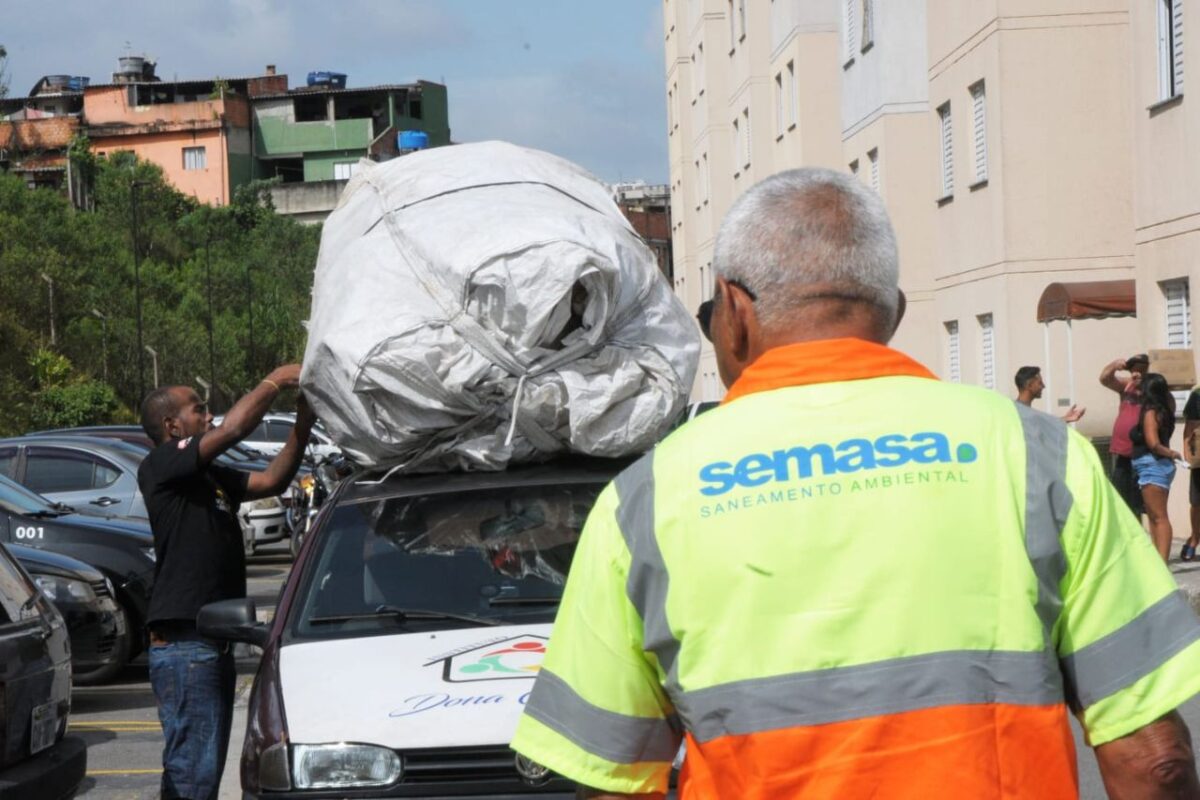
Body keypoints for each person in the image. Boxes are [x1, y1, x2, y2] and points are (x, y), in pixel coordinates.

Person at [509, 168, 1200, 798]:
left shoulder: (646, 499)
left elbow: (611, 779)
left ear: (733, 307)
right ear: (893, 312)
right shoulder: (1036, 455)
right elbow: (1153, 755)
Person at [138, 366, 313, 800]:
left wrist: (303, 427)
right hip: (186, 647)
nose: (210, 416)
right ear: (172, 426)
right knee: (193, 777)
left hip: (208, 646)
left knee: (197, 774)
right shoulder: (162, 464)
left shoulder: (207, 477)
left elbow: (271, 480)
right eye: (198, 410)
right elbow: (235, 428)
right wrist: (274, 380)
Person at [1131, 372, 1182, 563]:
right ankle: (1159, 559)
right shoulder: (1167, 407)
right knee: (1154, 516)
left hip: (1152, 465)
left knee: (1158, 517)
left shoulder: (1151, 412)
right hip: (1158, 466)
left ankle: (1162, 562)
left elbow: (1153, 443)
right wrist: (1144, 381)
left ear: (1148, 391)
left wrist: (1171, 453)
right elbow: (1166, 392)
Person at [1101, 353, 1152, 517]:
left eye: (1141, 370)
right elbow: (1104, 379)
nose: (1137, 373)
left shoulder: (1152, 388)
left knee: (1140, 502)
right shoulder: (1126, 385)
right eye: (1134, 370)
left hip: (1143, 452)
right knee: (1121, 499)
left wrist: (1144, 384)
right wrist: (1114, 365)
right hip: (1123, 452)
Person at [1014, 365, 1085, 422]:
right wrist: (1065, 419)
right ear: (1029, 385)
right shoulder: (1020, 413)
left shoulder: (1021, 410)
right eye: (1040, 383)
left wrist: (1065, 418)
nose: (1043, 386)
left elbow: (1042, 425)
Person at [1182, 384, 1200, 561]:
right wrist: (1188, 455)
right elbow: (1189, 428)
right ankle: (1194, 539)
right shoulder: (1197, 394)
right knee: (1196, 503)